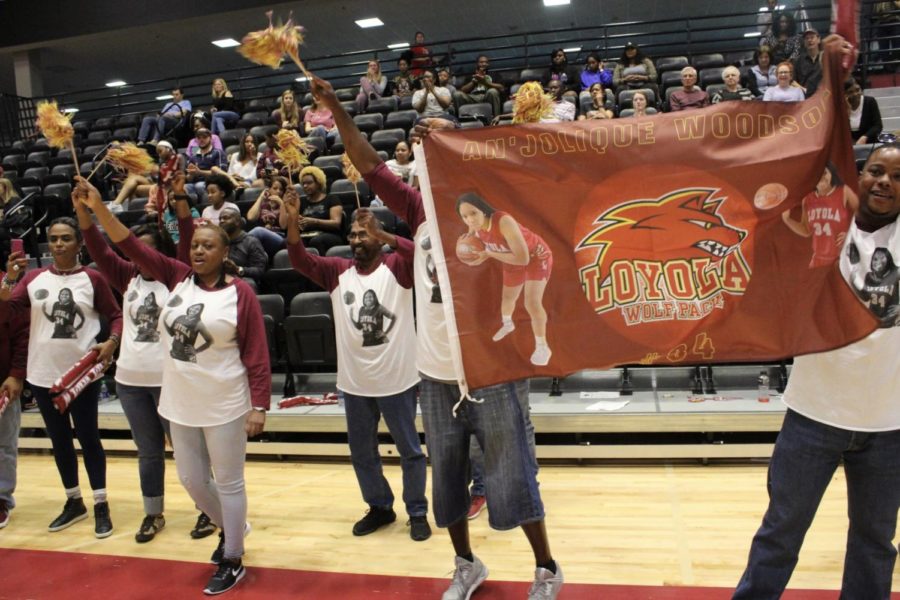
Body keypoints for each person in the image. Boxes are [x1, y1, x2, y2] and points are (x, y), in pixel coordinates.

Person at [307, 75, 564, 600]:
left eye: (439, 140)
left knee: (512, 478)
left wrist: (451, 129)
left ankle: (546, 567)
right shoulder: (416, 208)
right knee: (446, 484)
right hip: (435, 372)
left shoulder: (492, 204)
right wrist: (334, 108)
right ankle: (466, 565)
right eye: (424, 140)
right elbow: (366, 162)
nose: (428, 144)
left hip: (490, 368)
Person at [74, 175, 271, 596]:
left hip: (225, 401)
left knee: (229, 481)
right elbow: (129, 245)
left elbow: (256, 354)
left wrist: (259, 405)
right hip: (179, 402)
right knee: (191, 481)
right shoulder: (175, 277)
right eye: (195, 245)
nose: (199, 251)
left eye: (208, 246)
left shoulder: (240, 295)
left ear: (225, 252)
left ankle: (233, 554)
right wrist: (95, 209)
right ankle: (234, 527)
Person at [733, 140, 900, 600]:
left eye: (897, 176)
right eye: (875, 170)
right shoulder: (820, 222)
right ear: (857, 177)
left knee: (875, 541)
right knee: (781, 533)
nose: (885, 181)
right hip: (813, 415)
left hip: (889, 426)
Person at [284, 198, 431, 541]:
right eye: (352, 234)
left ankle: (417, 510)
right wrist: (292, 224)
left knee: (409, 450)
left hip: (398, 380)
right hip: (355, 383)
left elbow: (420, 255)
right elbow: (299, 259)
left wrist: (389, 236)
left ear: (379, 237)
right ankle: (380, 506)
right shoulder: (337, 270)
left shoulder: (397, 266)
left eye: (364, 234)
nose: (355, 240)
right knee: (362, 452)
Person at [0, 218, 122, 539]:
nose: (58, 244)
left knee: (88, 438)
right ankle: (73, 501)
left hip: (80, 375)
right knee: (60, 442)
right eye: (53, 239)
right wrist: (10, 279)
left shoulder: (92, 279)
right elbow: (7, 307)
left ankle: (100, 503)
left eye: (66, 238)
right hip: (41, 376)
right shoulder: (33, 278)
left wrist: (112, 341)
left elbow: (117, 315)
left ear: (79, 244)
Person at [76, 201, 187, 543]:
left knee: (187, 452)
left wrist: (181, 205)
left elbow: (186, 238)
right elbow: (98, 246)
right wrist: (83, 211)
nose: (141, 257)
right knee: (149, 452)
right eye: (136, 250)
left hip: (171, 383)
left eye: (147, 250)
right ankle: (153, 513)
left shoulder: (178, 276)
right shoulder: (127, 277)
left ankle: (206, 510)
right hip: (130, 382)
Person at [456, 193, 554, 366]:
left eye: (473, 213)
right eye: (464, 216)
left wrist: (489, 254)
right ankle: (508, 324)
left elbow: (523, 259)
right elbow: (472, 234)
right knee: (508, 297)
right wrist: (470, 250)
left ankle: (542, 346)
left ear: (483, 210)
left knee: (531, 303)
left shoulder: (503, 222)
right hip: (509, 256)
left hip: (535, 256)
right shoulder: (474, 226)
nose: (470, 219)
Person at [781, 163, 859, 268]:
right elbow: (806, 230)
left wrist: (851, 234)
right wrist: (787, 220)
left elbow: (863, 214)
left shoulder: (843, 191)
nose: (821, 177)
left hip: (842, 257)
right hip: (818, 260)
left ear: (832, 174)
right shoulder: (807, 199)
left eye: (825, 173)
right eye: (817, 174)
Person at [0, 253, 28, 530]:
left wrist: (16, 374)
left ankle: (1, 499)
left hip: (2, 379)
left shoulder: (8, 287)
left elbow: (22, 334)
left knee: (3, 445)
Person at [279, 165, 344, 256]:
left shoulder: (332, 199)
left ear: (318, 183)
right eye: (303, 183)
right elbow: (284, 225)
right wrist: (294, 216)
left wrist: (314, 221)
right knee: (287, 242)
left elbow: (336, 223)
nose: (305, 186)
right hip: (306, 234)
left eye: (309, 183)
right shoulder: (300, 201)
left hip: (328, 235)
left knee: (316, 241)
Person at [112, 141, 186, 210]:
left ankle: (117, 204)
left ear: (168, 149)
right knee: (132, 179)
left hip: (170, 187)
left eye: (160, 151)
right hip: (157, 185)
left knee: (133, 186)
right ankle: (129, 211)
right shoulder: (162, 161)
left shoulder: (178, 157)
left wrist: (154, 169)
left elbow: (167, 175)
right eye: (158, 153)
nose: (159, 154)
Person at [219, 207, 269, 284]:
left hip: (241, 281)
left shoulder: (251, 242)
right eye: (220, 219)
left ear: (237, 222)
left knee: (249, 282)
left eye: (225, 218)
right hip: (220, 280)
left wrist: (237, 269)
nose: (221, 221)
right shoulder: (219, 242)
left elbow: (259, 270)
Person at [247, 176, 289, 257]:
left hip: (279, 237)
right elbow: (250, 217)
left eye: (281, 189)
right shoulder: (263, 204)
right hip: (261, 240)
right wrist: (261, 197)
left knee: (259, 230)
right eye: (275, 188)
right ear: (269, 189)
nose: (278, 191)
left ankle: (241, 244)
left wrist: (281, 204)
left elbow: (284, 226)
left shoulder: (286, 205)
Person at [186, 128, 227, 206]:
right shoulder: (194, 155)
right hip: (194, 183)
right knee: (185, 187)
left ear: (210, 138)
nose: (201, 140)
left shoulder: (218, 152)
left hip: (212, 182)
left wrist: (200, 172)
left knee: (199, 186)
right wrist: (191, 174)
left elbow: (221, 173)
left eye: (204, 137)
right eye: (199, 138)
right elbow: (188, 178)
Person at [846, 78, 884, 145]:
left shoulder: (870, 101)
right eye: (850, 92)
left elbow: (878, 126)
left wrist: (865, 137)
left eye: (857, 90)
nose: (855, 94)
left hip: (869, 143)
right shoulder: (840, 107)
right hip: (848, 145)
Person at [793, 27, 823, 96]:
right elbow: (793, 81)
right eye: (807, 38)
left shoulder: (825, 58)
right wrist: (804, 90)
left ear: (818, 39)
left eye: (812, 37)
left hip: (822, 96)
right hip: (804, 96)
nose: (809, 40)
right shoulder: (798, 61)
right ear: (804, 42)